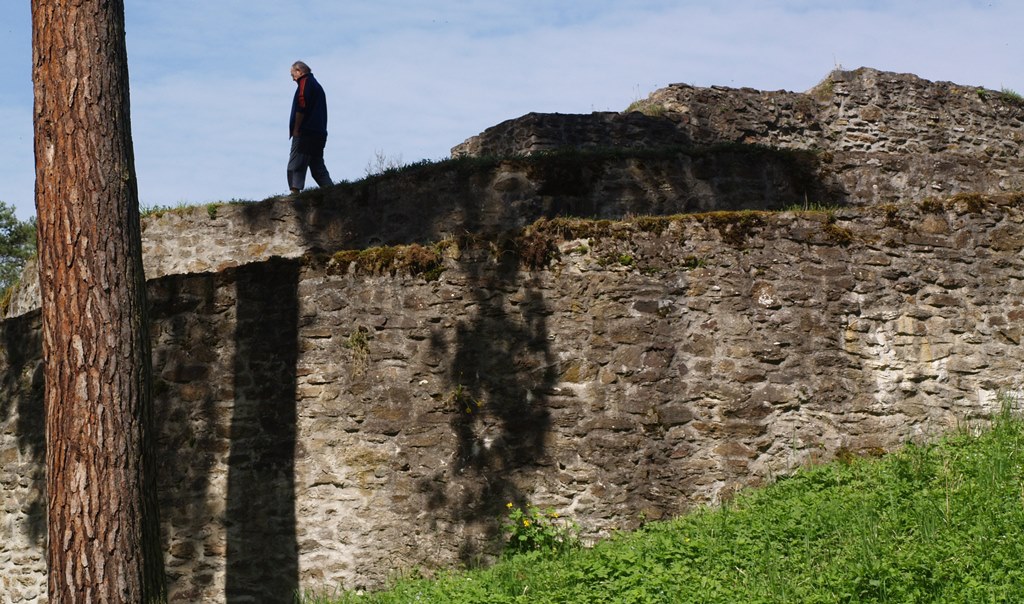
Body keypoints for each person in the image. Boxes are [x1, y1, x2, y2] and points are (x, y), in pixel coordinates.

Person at [287, 60, 332, 195]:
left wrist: (296, 129)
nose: (293, 79)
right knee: (317, 167)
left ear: (299, 71)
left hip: (306, 133)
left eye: (293, 75)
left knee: (296, 163)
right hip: (319, 133)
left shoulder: (305, 82)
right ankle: (332, 193)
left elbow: (302, 104)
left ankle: (294, 194)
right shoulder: (316, 85)